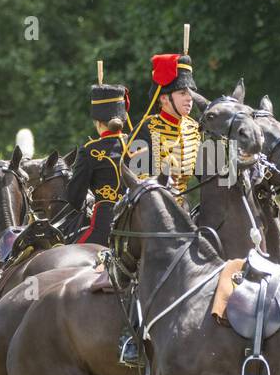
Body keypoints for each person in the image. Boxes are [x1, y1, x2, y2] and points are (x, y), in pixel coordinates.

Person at [128, 53, 201, 205]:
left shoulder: (194, 128)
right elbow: (136, 177)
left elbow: (209, 176)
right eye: (182, 93)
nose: (189, 98)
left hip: (183, 207)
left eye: (190, 94)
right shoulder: (146, 128)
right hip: (152, 208)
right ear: (164, 98)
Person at [64, 83, 129, 246]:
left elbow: (74, 198)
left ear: (98, 123)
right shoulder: (139, 144)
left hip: (105, 230)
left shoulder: (90, 150)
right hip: (140, 226)